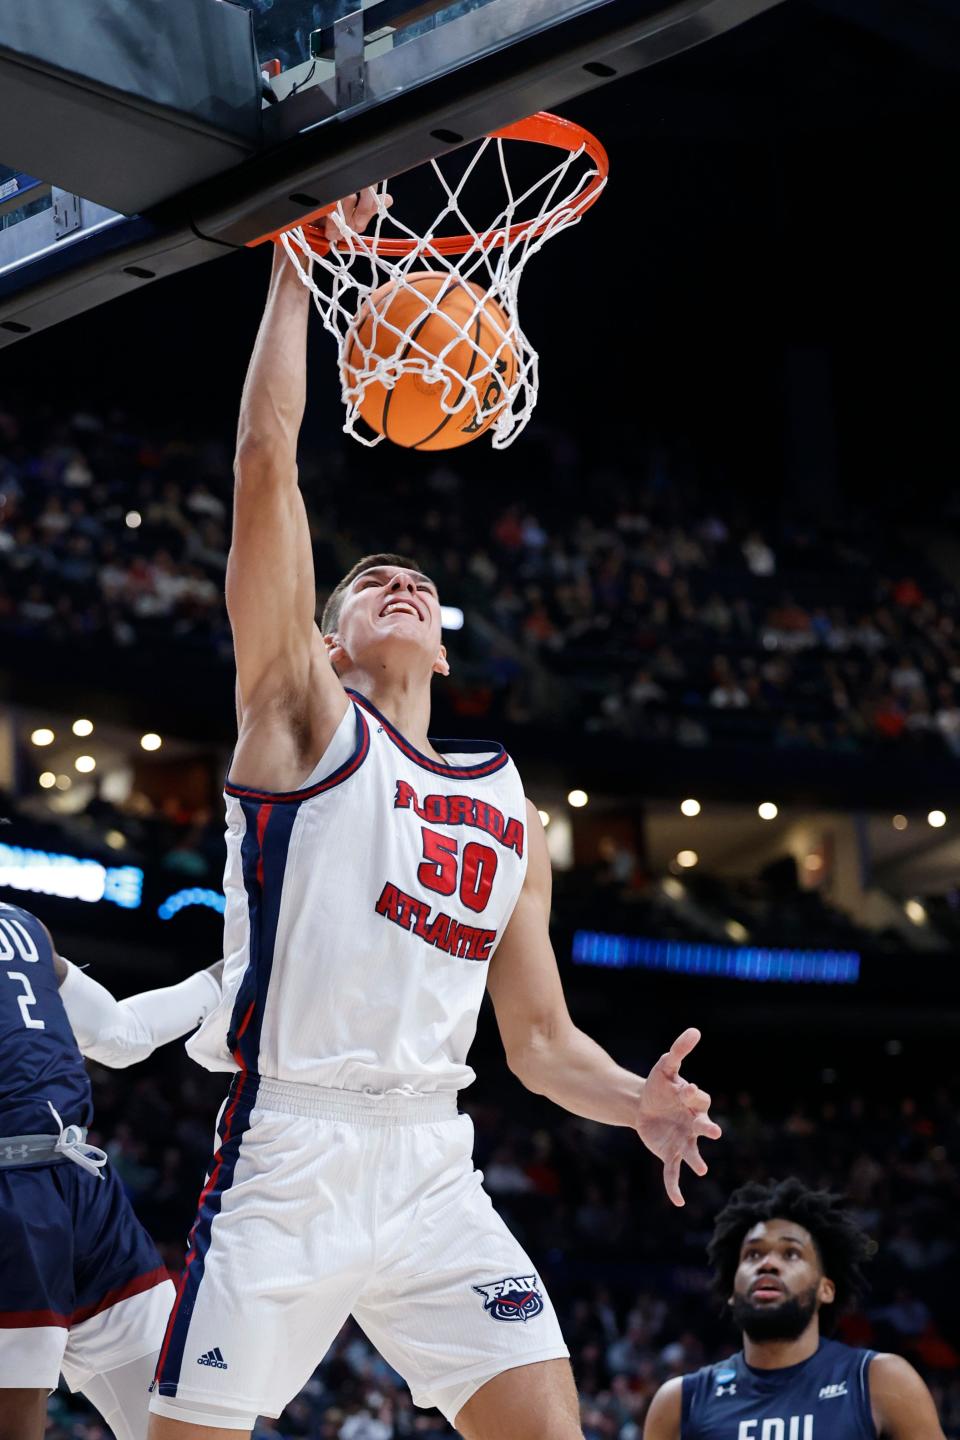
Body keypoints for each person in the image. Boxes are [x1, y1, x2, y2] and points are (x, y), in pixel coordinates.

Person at [147, 195, 721, 1440]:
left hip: (431, 1168)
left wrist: (641, 1103)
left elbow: (542, 1041)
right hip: (289, 1151)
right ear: (327, 638)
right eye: (365, 585)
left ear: (447, 644)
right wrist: (297, 263)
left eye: (416, 582)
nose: (398, 583)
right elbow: (264, 463)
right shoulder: (300, 716)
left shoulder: (509, 806)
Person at [0, 897, 222, 1440]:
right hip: (14, 1194)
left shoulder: (24, 925)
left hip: (79, 1185)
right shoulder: (22, 924)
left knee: (179, 1410)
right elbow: (122, 1039)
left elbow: (123, 1037)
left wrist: (232, 974)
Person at [643, 1177, 946, 1440]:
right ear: (732, 1292)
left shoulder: (880, 1380)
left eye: (791, 1253)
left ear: (826, 1289)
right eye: (752, 1254)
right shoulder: (679, 1401)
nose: (767, 1264)